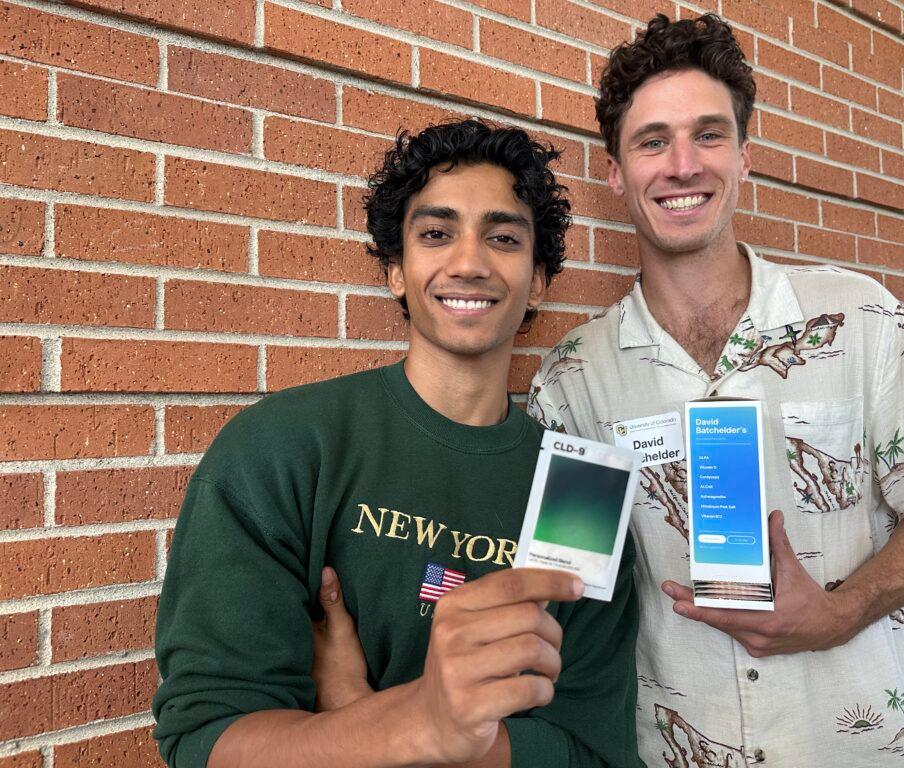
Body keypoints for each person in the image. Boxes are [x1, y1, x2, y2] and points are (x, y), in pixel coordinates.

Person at [527, 14, 904, 768]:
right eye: (651, 141)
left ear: (746, 157)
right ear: (615, 172)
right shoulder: (579, 376)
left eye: (709, 135)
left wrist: (838, 613)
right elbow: (573, 583)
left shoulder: (858, 318)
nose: (682, 165)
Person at [151, 120, 641, 768]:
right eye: (436, 234)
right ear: (395, 272)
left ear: (539, 281)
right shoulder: (285, 450)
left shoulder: (583, 494)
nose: (469, 262)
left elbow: (592, 754)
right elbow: (207, 742)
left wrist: (378, 720)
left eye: (503, 237)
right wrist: (423, 723)